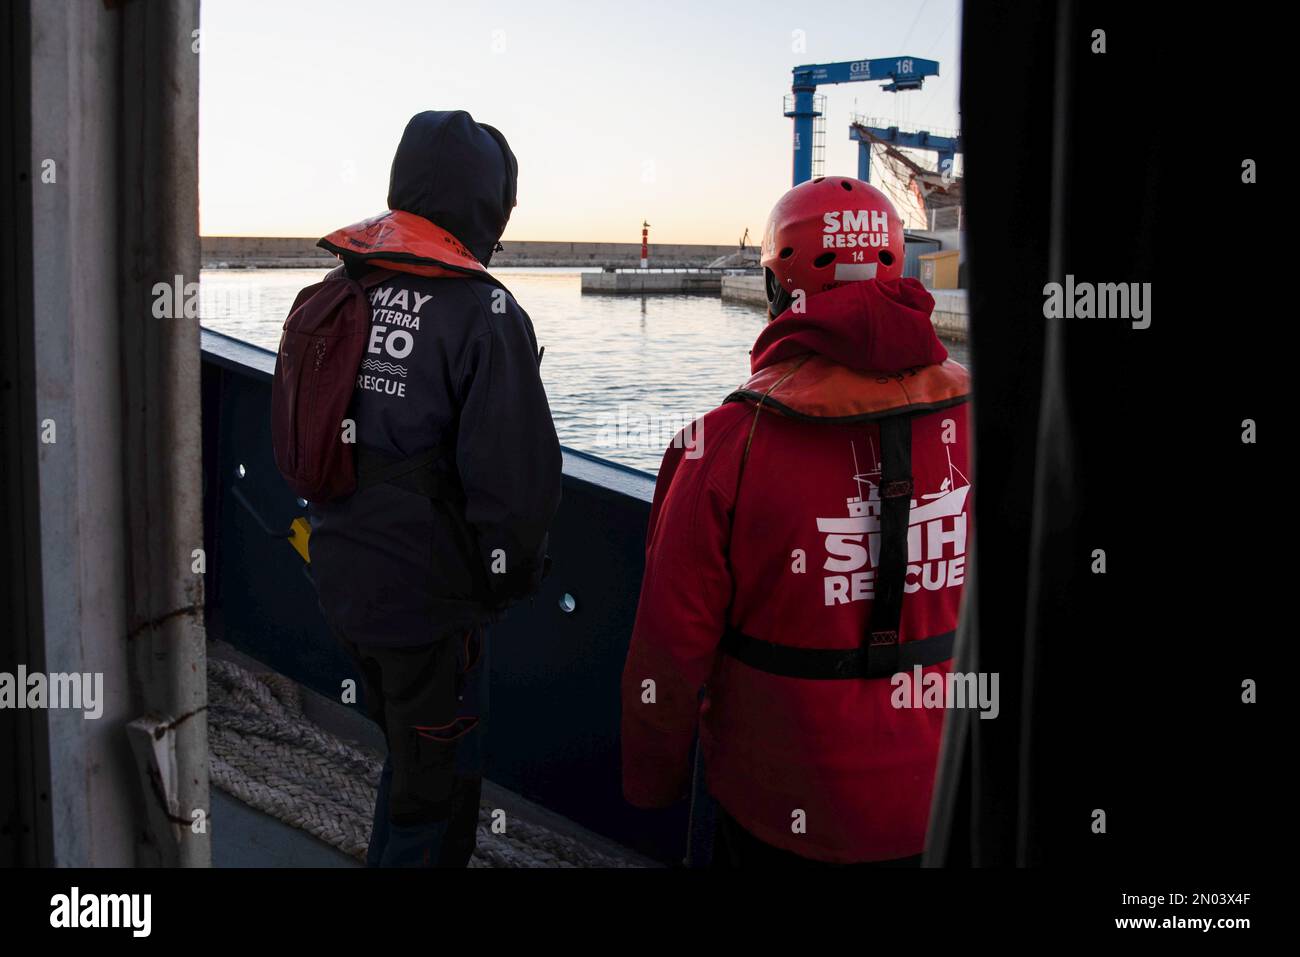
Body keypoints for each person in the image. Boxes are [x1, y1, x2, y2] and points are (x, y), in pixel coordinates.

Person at [620, 176, 971, 866]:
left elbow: (669, 644)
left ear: (780, 290)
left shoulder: (725, 443)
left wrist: (653, 782)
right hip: (942, 798)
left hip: (775, 811)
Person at [306, 110, 562, 867]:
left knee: (410, 759)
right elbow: (517, 490)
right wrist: (508, 583)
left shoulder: (340, 286)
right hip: (428, 611)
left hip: (340, 577)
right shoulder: (485, 315)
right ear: (486, 207)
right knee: (436, 799)